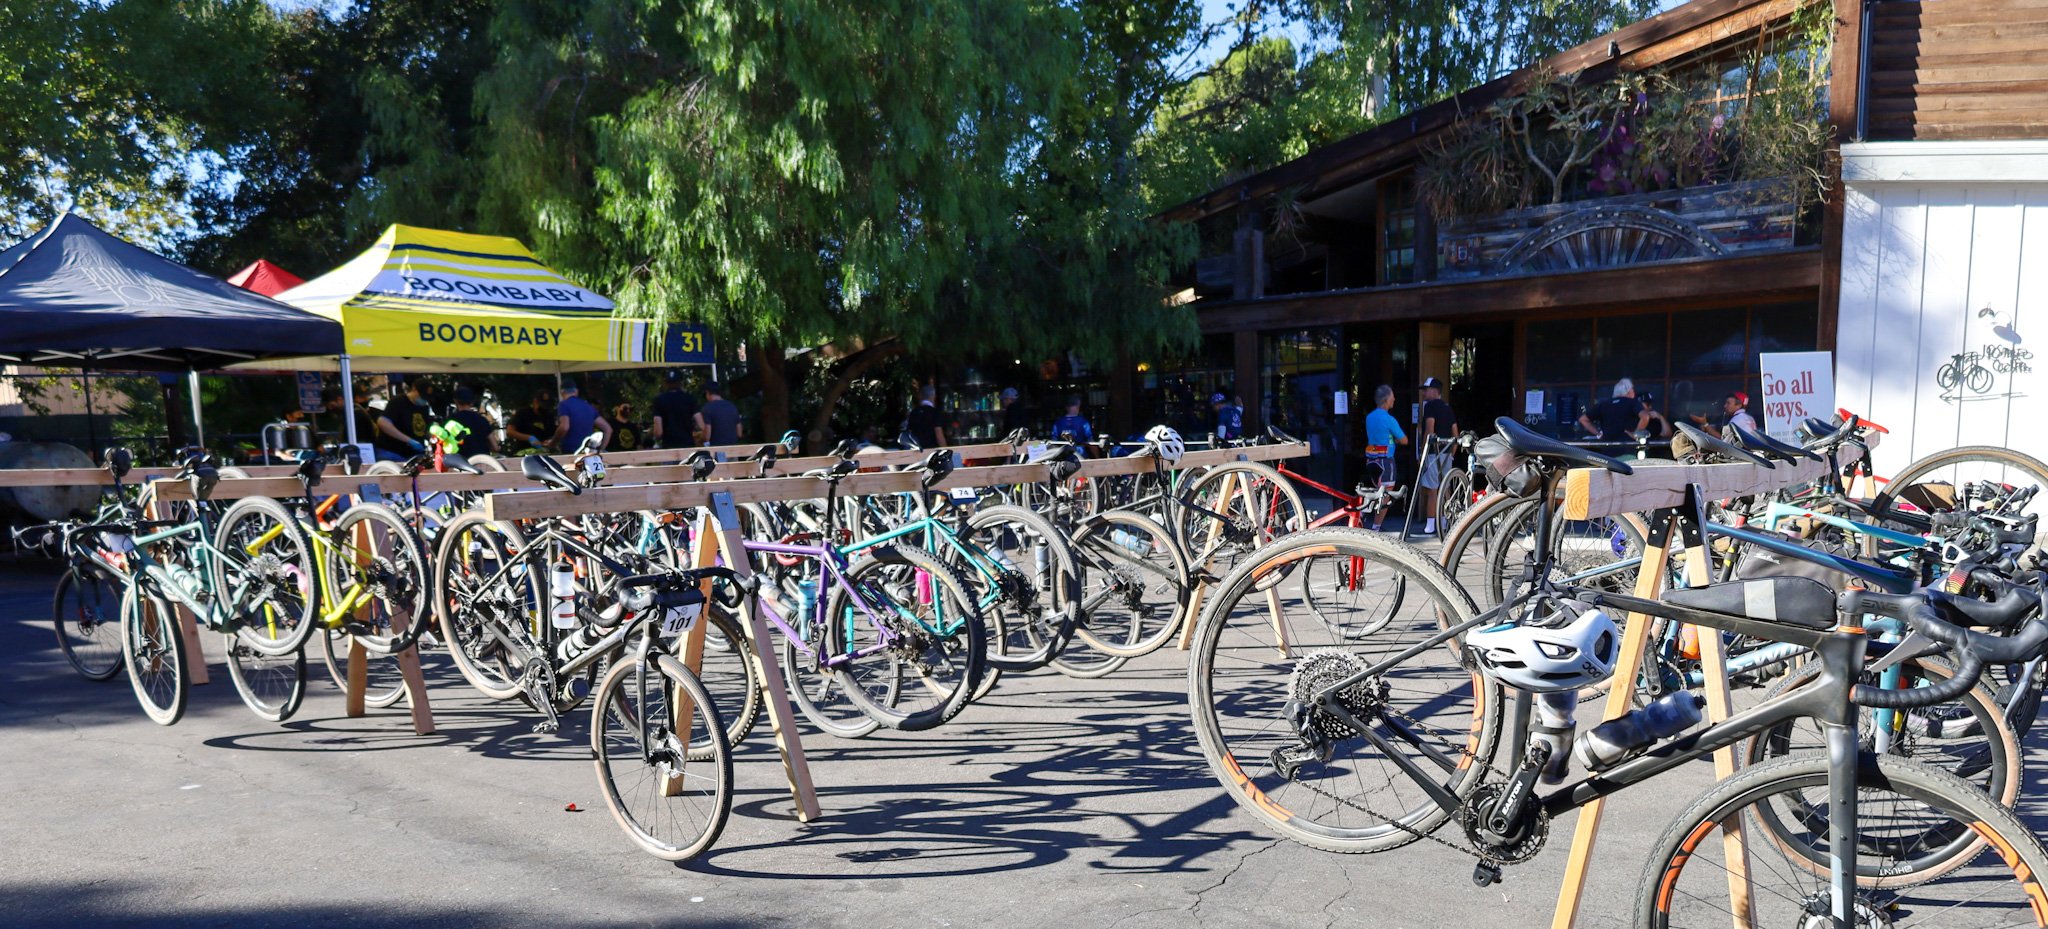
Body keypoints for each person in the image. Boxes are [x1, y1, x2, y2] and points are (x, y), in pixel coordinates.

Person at [1416, 377, 1460, 535]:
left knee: (1432, 489)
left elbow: (1429, 430)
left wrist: (1422, 451)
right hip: (1447, 452)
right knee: (1445, 487)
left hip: (1433, 452)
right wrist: (1452, 453)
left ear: (1434, 390)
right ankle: (1445, 521)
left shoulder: (1430, 406)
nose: (1424, 393)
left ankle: (1430, 524)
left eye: (1426, 390)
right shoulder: (1448, 408)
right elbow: (1455, 433)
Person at [1364, 384, 1408, 531]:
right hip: (1386, 461)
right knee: (1386, 494)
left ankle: (1365, 514)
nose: (1394, 399)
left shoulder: (1369, 417)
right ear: (1386, 399)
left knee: (1376, 491)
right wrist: (1394, 440)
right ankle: (1376, 527)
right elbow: (1404, 440)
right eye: (1392, 396)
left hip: (1371, 460)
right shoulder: (1389, 419)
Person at [1577, 377, 1650, 443]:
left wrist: (1598, 434)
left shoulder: (1603, 404)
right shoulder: (1632, 402)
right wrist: (1635, 434)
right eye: (1633, 389)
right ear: (1629, 391)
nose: (1634, 392)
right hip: (1627, 448)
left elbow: (1583, 419)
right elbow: (1645, 417)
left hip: (1607, 450)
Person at [373, 379, 431, 462]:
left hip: (413, 454)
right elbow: (383, 422)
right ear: (414, 389)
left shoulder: (424, 407)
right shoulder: (398, 402)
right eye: (421, 396)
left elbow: (424, 428)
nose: (424, 400)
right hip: (392, 452)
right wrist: (409, 440)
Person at [550, 380, 612, 452]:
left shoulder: (564, 405)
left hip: (570, 452)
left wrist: (553, 443)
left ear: (562, 392)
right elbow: (608, 429)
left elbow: (564, 427)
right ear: (576, 391)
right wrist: (601, 449)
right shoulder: (588, 406)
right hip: (587, 452)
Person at [650, 369, 700, 449]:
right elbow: (700, 424)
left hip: (669, 447)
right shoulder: (689, 399)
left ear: (666, 383)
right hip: (688, 446)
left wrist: (653, 434)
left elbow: (659, 432)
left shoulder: (659, 400)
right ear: (681, 382)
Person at [321, 385, 378, 454]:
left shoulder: (354, 415)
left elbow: (358, 440)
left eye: (331, 405)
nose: (330, 408)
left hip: (363, 452)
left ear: (340, 399)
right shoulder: (352, 412)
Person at [447, 386, 497, 459]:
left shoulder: (450, 421)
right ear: (472, 402)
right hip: (483, 463)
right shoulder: (482, 420)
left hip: (460, 465)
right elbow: (495, 447)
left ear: (455, 401)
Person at [504, 388, 555, 452]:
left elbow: (552, 433)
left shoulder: (549, 415)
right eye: (541, 405)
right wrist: (529, 438)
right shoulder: (523, 413)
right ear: (535, 401)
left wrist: (550, 441)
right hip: (524, 451)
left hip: (543, 451)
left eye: (546, 405)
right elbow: (509, 431)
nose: (543, 408)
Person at [697, 381, 741, 446]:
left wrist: (699, 440)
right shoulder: (732, 406)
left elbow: (707, 437)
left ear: (707, 392)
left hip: (717, 451)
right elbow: (739, 433)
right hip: (733, 450)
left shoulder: (707, 408)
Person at [905, 383, 945, 448]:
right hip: (932, 451)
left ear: (921, 396)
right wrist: (946, 450)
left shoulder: (913, 413)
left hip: (916, 450)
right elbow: (939, 434)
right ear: (933, 396)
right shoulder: (935, 413)